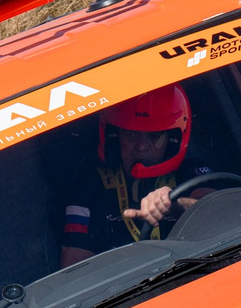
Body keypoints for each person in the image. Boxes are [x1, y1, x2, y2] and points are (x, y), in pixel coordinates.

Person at [60, 86, 217, 265]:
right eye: (131, 134)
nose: (142, 146)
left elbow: (216, 211)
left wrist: (176, 204)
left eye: (155, 136)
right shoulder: (88, 188)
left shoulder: (192, 171)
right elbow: (74, 268)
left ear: (172, 139)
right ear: (114, 136)